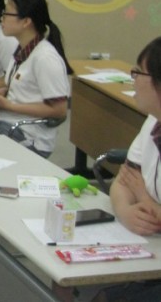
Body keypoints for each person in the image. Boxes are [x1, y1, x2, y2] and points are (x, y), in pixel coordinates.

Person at [90, 37, 161, 301]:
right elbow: (123, 181)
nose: (133, 79)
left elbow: (135, 186)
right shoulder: (153, 121)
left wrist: (143, 197)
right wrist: (125, 210)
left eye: (139, 72)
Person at [0, 0, 72, 158]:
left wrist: (9, 105)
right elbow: (22, 89)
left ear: (26, 21)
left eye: (7, 14)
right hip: (6, 123)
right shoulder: (21, 50)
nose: (2, 19)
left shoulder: (45, 58)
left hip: (28, 135)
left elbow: (59, 110)